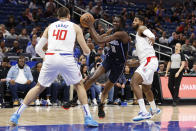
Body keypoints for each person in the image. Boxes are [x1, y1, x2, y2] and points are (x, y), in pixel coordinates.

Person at [9, 7, 98, 127]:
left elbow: (37, 48)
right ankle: (88, 117)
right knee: (79, 85)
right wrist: (89, 49)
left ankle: (16, 115)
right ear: (68, 16)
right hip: (66, 57)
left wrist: (45, 57)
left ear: (57, 16)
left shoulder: (50, 27)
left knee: (39, 87)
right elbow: (86, 51)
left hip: (51, 57)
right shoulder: (75, 27)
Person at [82, 15, 130, 118]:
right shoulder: (112, 30)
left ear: (121, 23)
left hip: (119, 64)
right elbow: (99, 39)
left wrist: (91, 26)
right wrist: (91, 29)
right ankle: (77, 97)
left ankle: (101, 105)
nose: (115, 23)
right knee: (92, 77)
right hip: (109, 58)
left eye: (117, 22)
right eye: (114, 21)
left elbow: (99, 40)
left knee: (107, 88)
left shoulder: (122, 34)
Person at [127, 15, 160, 121]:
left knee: (134, 82)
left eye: (135, 20)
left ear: (141, 22)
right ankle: (154, 109)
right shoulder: (138, 36)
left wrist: (152, 37)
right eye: (133, 20)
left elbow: (151, 35)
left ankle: (143, 112)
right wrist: (128, 64)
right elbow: (141, 60)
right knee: (146, 88)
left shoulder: (141, 28)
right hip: (148, 61)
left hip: (149, 61)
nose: (133, 21)